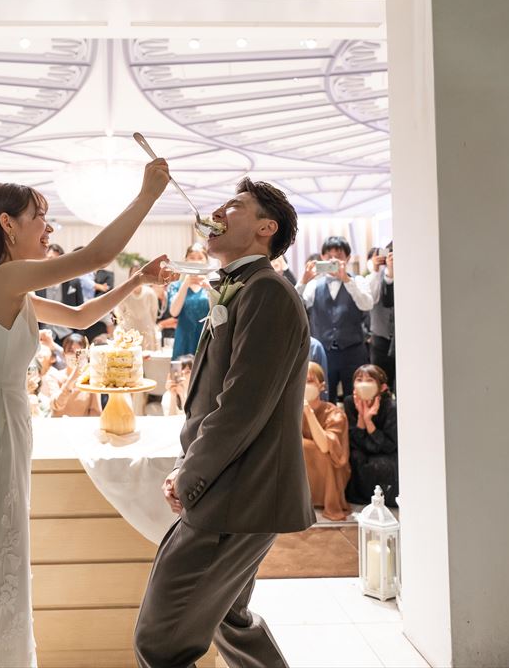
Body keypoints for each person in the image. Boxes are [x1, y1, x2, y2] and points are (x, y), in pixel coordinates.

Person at [0, 158, 173, 667]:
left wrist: (137, 278)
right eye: (40, 218)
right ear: (7, 224)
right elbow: (96, 255)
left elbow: (82, 316)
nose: (49, 229)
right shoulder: (5, 278)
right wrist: (147, 196)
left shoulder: (9, 288)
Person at [135, 177, 313, 668]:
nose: (216, 212)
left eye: (233, 205)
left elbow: (240, 407)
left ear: (265, 228)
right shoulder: (245, 289)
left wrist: (189, 474)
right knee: (228, 619)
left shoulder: (267, 292)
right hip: (235, 488)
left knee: (160, 641)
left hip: (237, 494)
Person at [298, 236, 374, 401]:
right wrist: (303, 280)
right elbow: (295, 304)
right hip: (324, 352)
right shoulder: (314, 285)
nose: (333, 260)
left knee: (355, 397)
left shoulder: (358, 281)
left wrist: (346, 280)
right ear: (322, 257)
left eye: (338, 256)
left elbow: (367, 305)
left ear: (347, 258)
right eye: (329, 256)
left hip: (353, 350)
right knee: (324, 396)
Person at [300, 361, 351, 521]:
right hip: (303, 468)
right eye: (301, 380)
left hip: (329, 471)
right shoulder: (291, 411)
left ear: (321, 386)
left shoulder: (335, 414)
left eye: (309, 381)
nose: (304, 386)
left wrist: (308, 412)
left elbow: (324, 447)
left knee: (305, 447)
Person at [345, 364, 399, 507]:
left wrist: (369, 421)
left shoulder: (391, 407)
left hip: (385, 452)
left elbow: (389, 445)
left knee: (382, 465)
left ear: (382, 387)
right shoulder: (350, 402)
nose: (363, 384)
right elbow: (354, 442)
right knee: (354, 458)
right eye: (359, 380)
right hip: (361, 449)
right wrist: (361, 418)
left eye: (369, 380)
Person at [165, 243, 214, 358]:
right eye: (192, 257)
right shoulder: (176, 286)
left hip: (205, 341)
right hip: (183, 342)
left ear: (206, 261)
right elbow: (174, 312)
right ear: (185, 260)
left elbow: (217, 313)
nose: (196, 261)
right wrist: (185, 284)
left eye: (200, 258)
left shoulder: (212, 286)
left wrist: (209, 289)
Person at [40, 334, 101, 417]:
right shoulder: (54, 376)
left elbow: (96, 411)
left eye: (80, 352)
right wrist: (73, 377)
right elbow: (56, 405)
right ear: (64, 354)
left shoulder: (92, 378)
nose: (75, 355)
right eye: (71, 351)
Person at [35, 243, 84, 343]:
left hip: (68, 336)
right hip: (43, 336)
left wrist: (78, 337)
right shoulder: (36, 283)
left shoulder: (73, 282)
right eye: (49, 258)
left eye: (56, 260)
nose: (52, 263)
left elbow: (81, 308)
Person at [367, 243, 396, 391]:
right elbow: (370, 300)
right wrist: (377, 270)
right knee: (380, 384)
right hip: (380, 339)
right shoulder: (375, 277)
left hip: (401, 340)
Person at [115, 260, 162, 351]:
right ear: (129, 276)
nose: (136, 276)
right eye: (133, 273)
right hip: (129, 336)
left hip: (147, 334)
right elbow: (119, 313)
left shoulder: (150, 293)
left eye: (138, 273)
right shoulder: (124, 293)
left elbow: (154, 313)